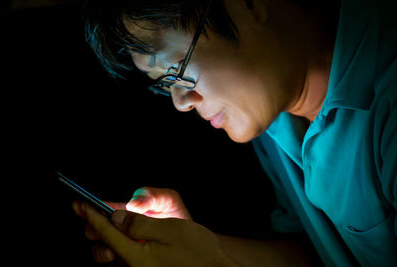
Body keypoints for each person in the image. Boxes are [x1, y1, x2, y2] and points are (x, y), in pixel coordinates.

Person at [72, 0, 397, 265]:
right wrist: (192, 249)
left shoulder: (388, 96)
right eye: (165, 85)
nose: (181, 103)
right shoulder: (271, 120)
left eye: (176, 70)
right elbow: (317, 253)